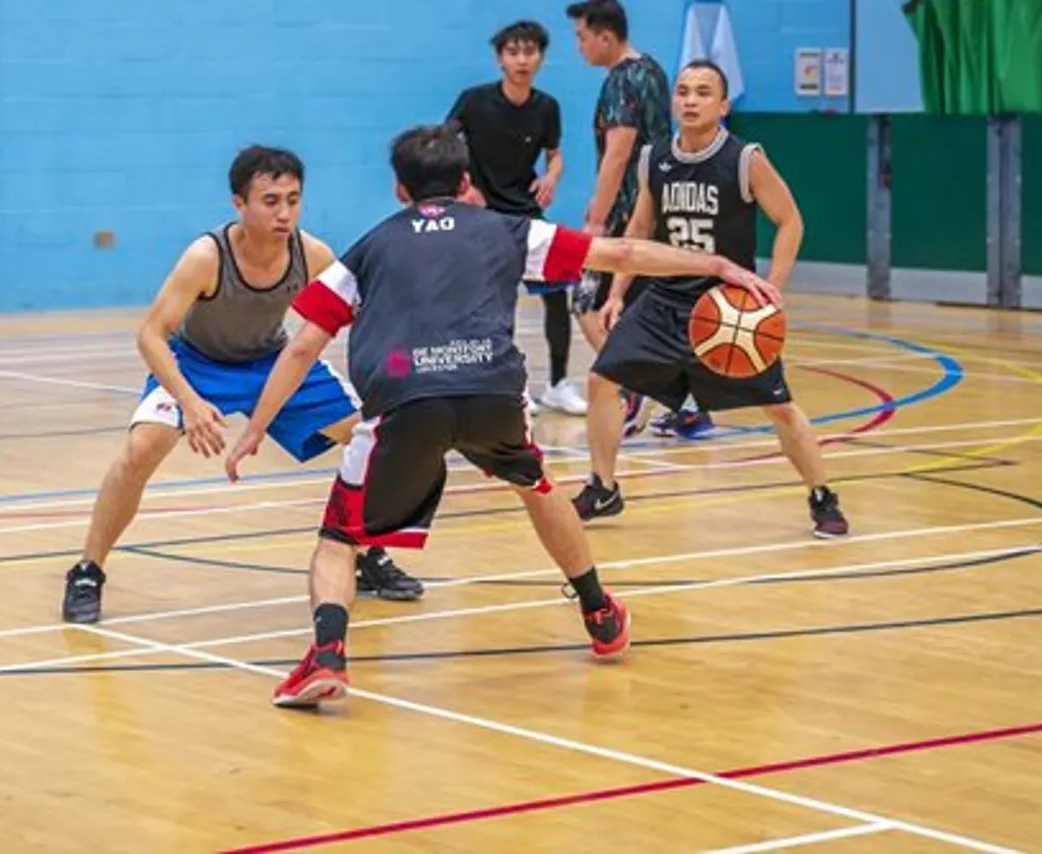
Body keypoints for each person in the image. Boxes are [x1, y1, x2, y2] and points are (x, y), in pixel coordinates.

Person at [222, 124, 781, 709]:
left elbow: (302, 346)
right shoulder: (506, 230)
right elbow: (620, 252)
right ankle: (599, 611)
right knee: (537, 485)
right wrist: (716, 264)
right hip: (490, 391)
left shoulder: (369, 248)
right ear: (466, 182)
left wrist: (257, 427)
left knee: (339, 538)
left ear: (399, 188)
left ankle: (328, 656)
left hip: (406, 400)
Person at [61, 146, 423, 624]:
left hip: (272, 362)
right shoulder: (206, 257)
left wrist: (402, 364)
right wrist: (190, 402)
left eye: (293, 200)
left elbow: (369, 315)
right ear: (239, 204)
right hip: (198, 364)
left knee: (372, 439)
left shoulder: (312, 254)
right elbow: (150, 334)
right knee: (140, 449)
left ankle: (367, 552)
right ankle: (87, 570)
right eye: (270, 201)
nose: (284, 213)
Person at [570, 61, 849, 538]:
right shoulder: (654, 157)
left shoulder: (744, 159)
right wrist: (617, 292)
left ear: (723, 105)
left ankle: (822, 496)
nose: (691, 100)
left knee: (779, 406)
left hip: (726, 307)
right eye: (683, 91)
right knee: (601, 380)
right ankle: (603, 487)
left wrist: (773, 290)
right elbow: (640, 229)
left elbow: (790, 221)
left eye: (703, 92)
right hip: (663, 300)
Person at [564, 0, 711, 440]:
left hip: (630, 214)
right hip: (662, 207)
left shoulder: (621, 80)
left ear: (606, 37)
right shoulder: (653, 71)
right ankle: (689, 406)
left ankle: (633, 388)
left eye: (582, 37)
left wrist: (597, 218)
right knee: (652, 314)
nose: (579, 46)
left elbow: (619, 150)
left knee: (587, 302)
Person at [443, 20, 582, 414]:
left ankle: (558, 383)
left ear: (541, 58)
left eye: (530, 51)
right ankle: (506, 385)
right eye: (513, 52)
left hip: (527, 213)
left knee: (557, 293)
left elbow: (555, 154)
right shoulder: (473, 101)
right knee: (498, 301)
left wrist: (551, 176)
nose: (522, 60)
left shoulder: (547, 107)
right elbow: (444, 143)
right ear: (500, 59)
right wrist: (465, 187)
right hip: (484, 215)